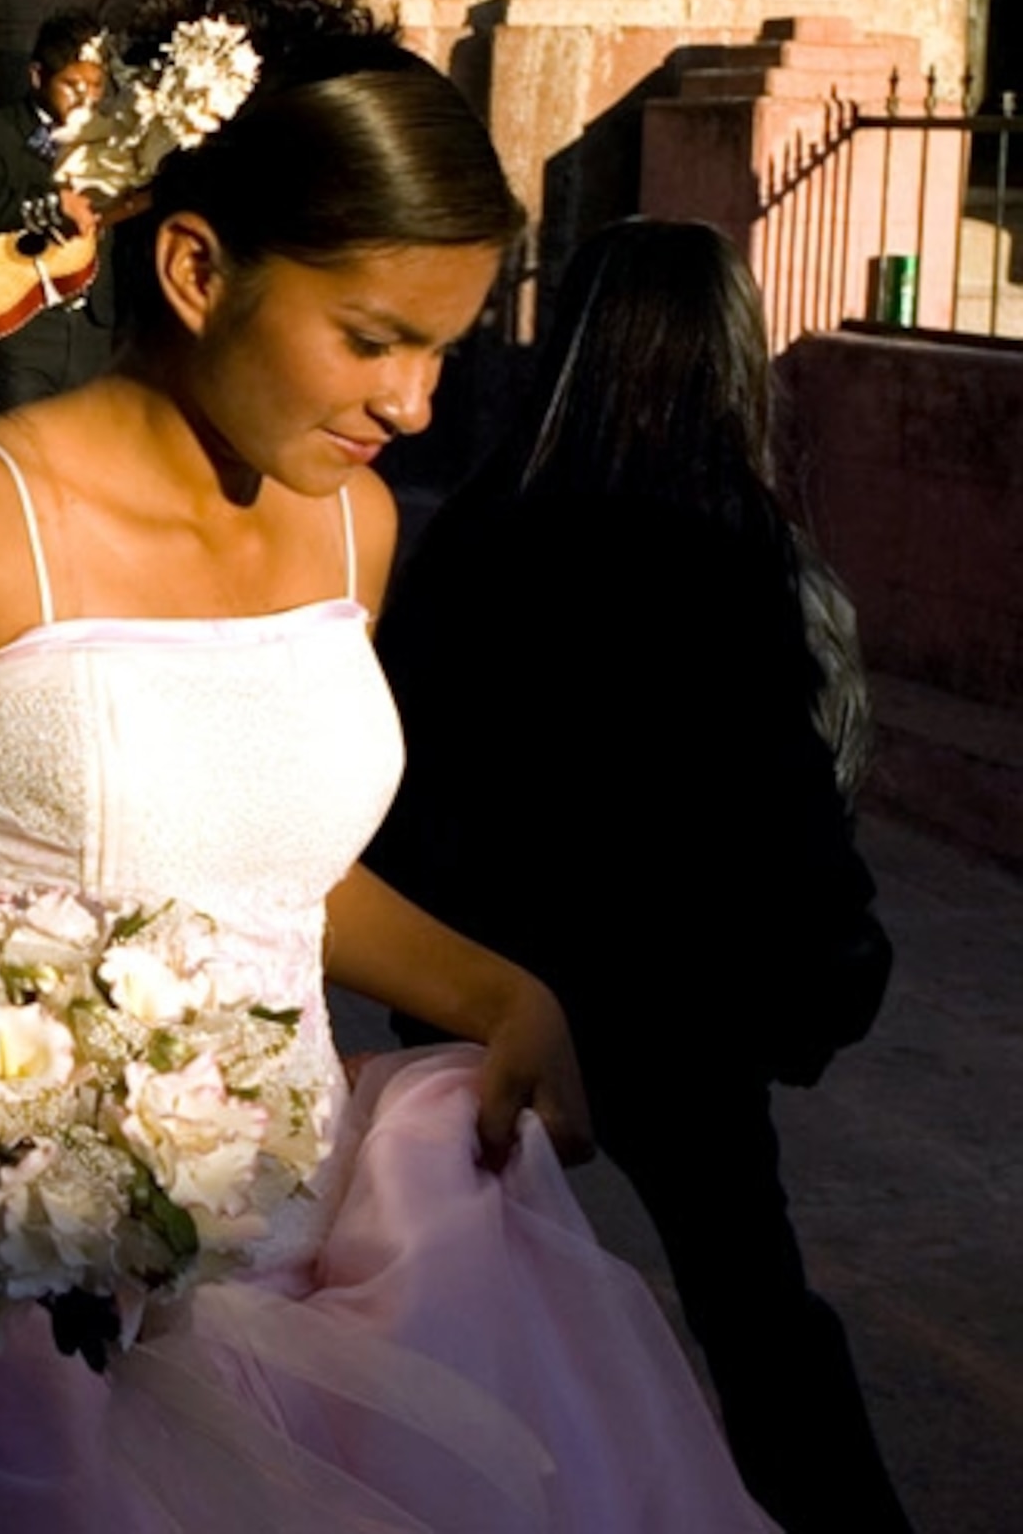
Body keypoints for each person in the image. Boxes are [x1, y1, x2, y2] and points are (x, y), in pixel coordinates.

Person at [0, 0, 776, 1530]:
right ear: (192, 263)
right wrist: (5, 1179)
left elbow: (281, 869)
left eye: (443, 349)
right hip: (38, 1325)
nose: (417, 405)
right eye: (374, 339)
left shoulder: (353, 525)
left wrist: (501, 990)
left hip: (349, 1267)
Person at [367, 219, 909, 1532]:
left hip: (490, 1000)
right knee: (756, 1314)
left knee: (463, 1319)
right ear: (729, 356)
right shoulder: (727, 556)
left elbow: (398, 783)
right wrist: (830, 976)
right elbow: (785, 823)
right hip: (680, 1018)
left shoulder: (475, 536)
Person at [0, 7, 119, 412]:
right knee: (20, 450)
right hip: (23, 325)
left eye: (96, 85)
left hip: (92, 327)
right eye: (71, 84)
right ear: (37, 76)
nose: (86, 98)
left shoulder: (116, 141)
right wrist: (47, 205)